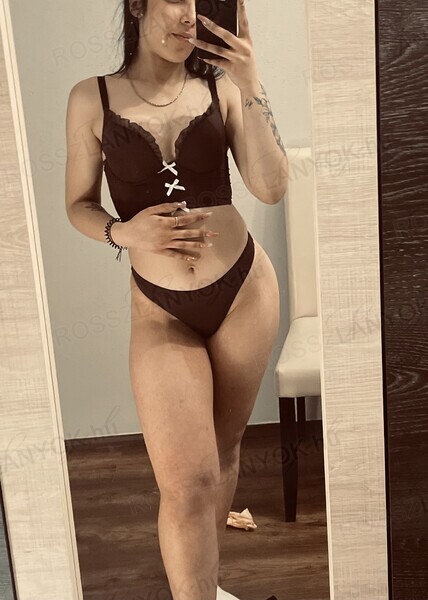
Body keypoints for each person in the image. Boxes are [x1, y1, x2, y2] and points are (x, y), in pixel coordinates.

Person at [65, 1, 286, 598]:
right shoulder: (91, 98)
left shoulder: (223, 89)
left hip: (244, 293)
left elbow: (271, 187)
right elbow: (78, 205)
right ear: (138, 5)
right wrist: (124, 232)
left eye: (200, 1)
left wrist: (251, 79)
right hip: (162, 308)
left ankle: (206, 588)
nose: (190, 15)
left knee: (225, 451)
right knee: (187, 483)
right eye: (175, 0)